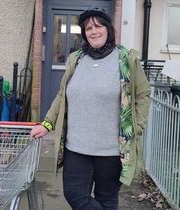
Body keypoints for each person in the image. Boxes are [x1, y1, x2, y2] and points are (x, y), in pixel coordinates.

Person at [30, 8, 151, 210]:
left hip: (111, 151)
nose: (93, 31)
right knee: (75, 196)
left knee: (107, 200)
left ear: (108, 29)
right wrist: (47, 123)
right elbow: (61, 96)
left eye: (98, 26)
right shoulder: (75, 60)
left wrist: (137, 127)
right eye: (88, 28)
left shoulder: (126, 60)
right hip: (76, 149)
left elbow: (143, 94)